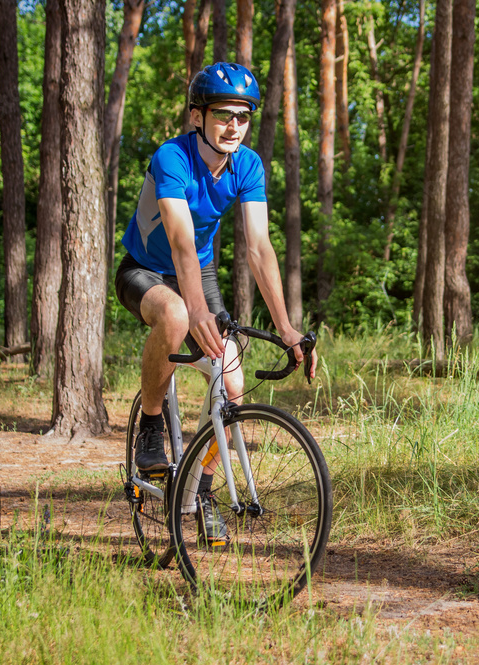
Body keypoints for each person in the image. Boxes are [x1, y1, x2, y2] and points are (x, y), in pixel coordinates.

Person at [114, 62, 316, 540]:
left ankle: (201, 492)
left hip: (198, 274)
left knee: (232, 379)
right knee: (179, 315)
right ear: (196, 117)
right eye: (224, 115)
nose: (234, 127)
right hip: (144, 269)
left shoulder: (248, 165)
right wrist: (199, 312)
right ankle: (149, 425)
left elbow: (259, 248)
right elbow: (181, 242)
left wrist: (287, 328)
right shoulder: (172, 158)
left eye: (243, 117)